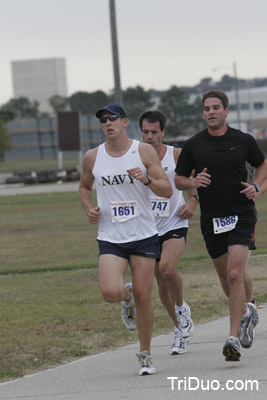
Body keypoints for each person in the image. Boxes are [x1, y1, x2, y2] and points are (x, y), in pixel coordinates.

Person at [79, 104, 172, 376]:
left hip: (142, 234)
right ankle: (125, 296)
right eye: (103, 120)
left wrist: (146, 180)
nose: (107, 123)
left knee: (146, 296)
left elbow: (166, 189)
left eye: (113, 119)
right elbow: (84, 187)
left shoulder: (142, 151)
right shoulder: (92, 157)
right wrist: (89, 208)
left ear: (124, 122)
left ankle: (145, 354)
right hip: (111, 236)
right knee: (109, 292)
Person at [174, 90, 266, 362]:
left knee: (236, 274)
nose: (211, 112)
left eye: (216, 107)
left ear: (226, 111)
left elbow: (262, 165)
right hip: (211, 219)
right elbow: (179, 178)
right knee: (228, 279)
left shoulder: (243, 140)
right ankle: (247, 310)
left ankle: (232, 338)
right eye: (207, 108)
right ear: (203, 113)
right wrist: (192, 183)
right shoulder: (194, 145)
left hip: (241, 215)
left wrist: (257, 187)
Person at [138, 110, 197, 355]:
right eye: (145, 132)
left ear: (163, 131)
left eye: (154, 132)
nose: (150, 136)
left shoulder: (176, 155)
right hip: (148, 227)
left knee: (167, 268)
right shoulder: (135, 156)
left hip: (175, 222)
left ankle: (182, 308)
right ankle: (179, 329)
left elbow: (194, 180)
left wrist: (192, 202)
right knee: (160, 283)